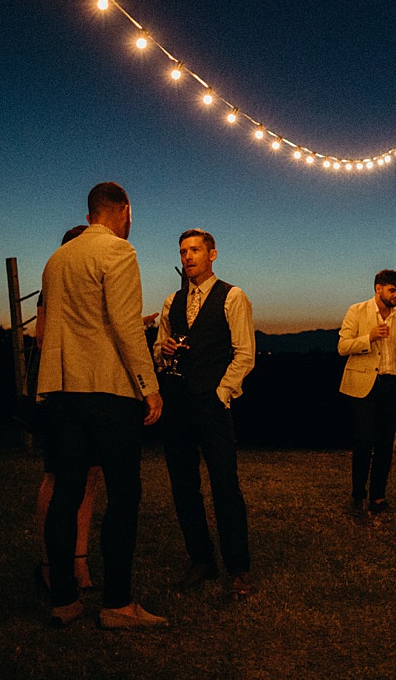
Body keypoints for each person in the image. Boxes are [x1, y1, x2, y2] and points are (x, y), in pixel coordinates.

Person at [37, 182, 166, 630]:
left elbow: (53, 326)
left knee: (66, 493)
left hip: (63, 390)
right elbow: (126, 323)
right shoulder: (118, 253)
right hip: (109, 391)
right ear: (124, 210)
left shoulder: (58, 258)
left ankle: (64, 600)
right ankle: (117, 604)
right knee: (125, 495)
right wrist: (148, 386)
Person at [154, 229, 256, 596]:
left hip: (212, 405)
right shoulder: (171, 302)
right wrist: (163, 350)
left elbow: (245, 353)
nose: (188, 257)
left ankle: (238, 568)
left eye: (195, 250)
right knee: (184, 487)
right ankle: (201, 560)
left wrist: (220, 393)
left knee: (225, 486)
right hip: (177, 402)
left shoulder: (233, 297)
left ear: (213, 254)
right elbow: (156, 350)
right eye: (183, 251)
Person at [32, 225, 98, 596]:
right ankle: (48, 564)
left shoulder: (90, 288)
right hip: (63, 391)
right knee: (57, 477)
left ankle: (80, 561)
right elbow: (42, 338)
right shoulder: (53, 286)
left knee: (91, 477)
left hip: (94, 391)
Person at [338, 269, 396, 514]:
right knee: (364, 440)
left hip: (392, 385)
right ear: (378, 288)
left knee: (385, 443)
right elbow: (342, 346)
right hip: (365, 384)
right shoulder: (356, 311)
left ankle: (378, 498)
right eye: (392, 290)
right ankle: (358, 496)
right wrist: (369, 337)